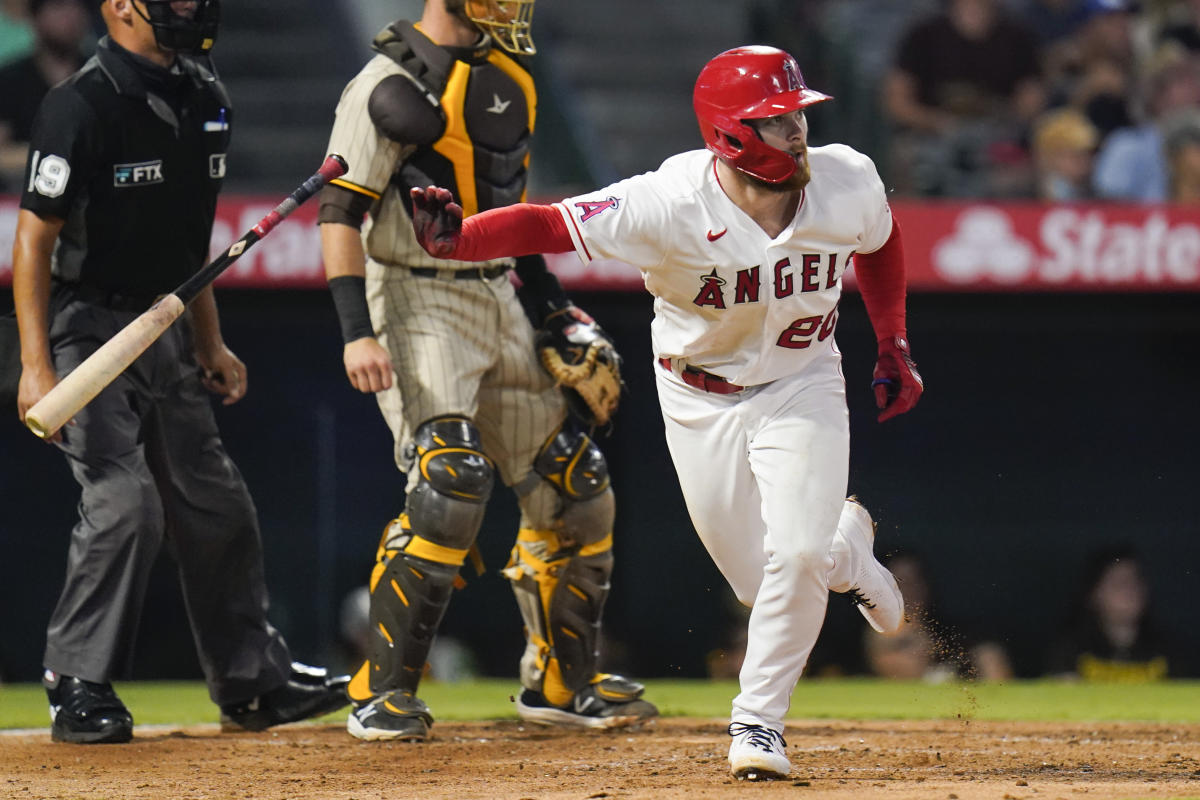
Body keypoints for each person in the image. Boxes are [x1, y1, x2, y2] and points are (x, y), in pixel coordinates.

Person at [407, 44, 922, 781]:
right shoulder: (667, 203)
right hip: (699, 396)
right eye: (776, 122)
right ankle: (850, 549)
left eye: (797, 116)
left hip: (803, 380)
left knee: (795, 560)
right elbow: (549, 224)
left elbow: (880, 242)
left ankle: (758, 724)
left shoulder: (848, 177)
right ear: (731, 133)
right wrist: (460, 242)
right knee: (761, 581)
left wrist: (893, 340)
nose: (797, 133)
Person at [316, 0, 658, 742]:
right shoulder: (383, 85)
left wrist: (554, 310)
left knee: (576, 480)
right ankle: (384, 691)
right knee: (451, 482)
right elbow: (339, 215)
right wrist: (356, 334)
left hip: (499, 289)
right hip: (414, 294)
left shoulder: (512, 79)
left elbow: (511, 207)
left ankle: (562, 684)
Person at [11, 0, 349, 744]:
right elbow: (33, 243)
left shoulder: (205, 95)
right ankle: (76, 683)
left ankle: (252, 682)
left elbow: (194, 243)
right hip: (86, 331)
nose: (191, 6)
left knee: (215, 502)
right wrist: (36, 368)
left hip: (165, 323)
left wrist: (211, 342)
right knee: (125, 499)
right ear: (121, 8)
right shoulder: (80, 105)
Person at [882, 0, 1045, 196]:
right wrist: (938, 123)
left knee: (1030, 167)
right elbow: (896, 101)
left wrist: (1004, 125)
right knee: (906, 160)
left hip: (998, 136)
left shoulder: (1018, 35)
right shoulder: (922, 34)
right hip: (930, 135)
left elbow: (1032, 97)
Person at [1047, 546, 1186, 681]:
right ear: (1094, 594)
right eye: (1118, 583)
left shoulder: (1170, 651)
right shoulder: (1070, 650)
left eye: (1135, 580)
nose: (1130, 590)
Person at [0, 0, 91, 191]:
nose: (71, 16)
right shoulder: (10, 80)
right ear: (35, 17)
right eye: (59, 7)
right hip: (20, 196)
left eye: (78, 7)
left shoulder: (102, 77)